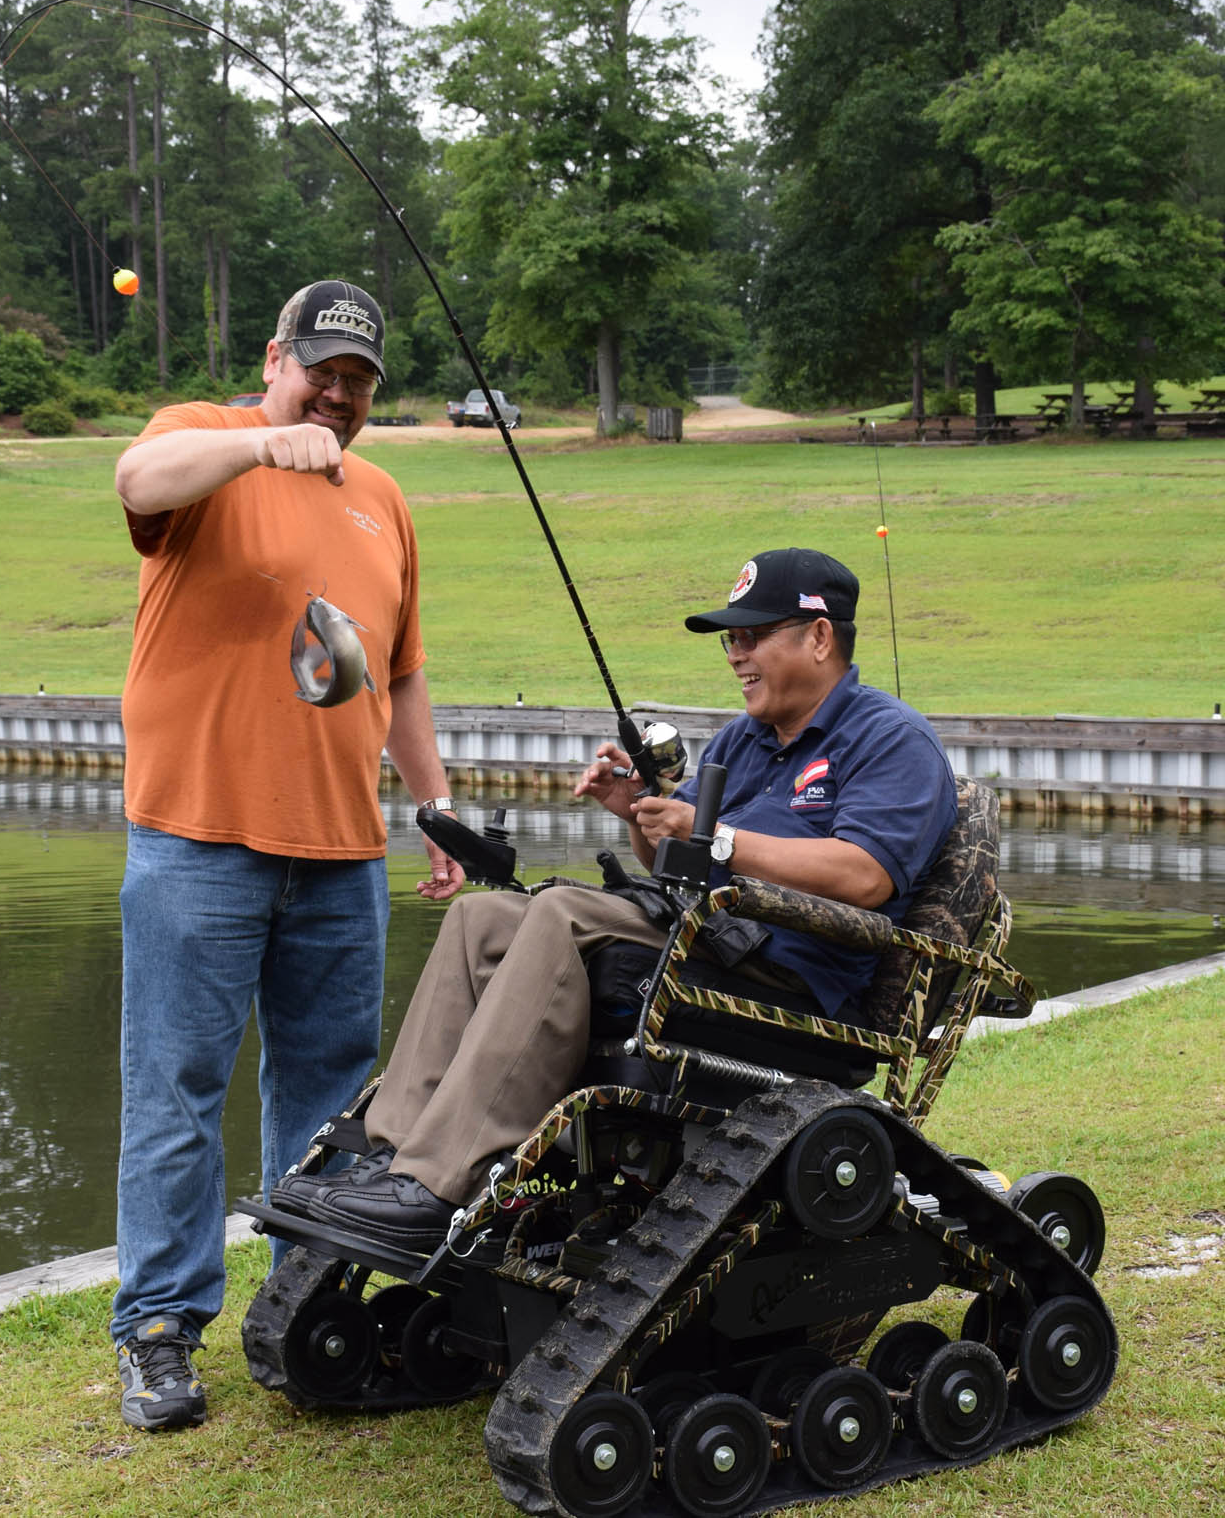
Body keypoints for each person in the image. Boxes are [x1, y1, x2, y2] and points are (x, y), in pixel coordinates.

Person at [284, 547, 958, 1251]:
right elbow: (681, 859)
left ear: (819, 638)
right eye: (731, 638)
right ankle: (391, 1157)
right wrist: (637, 809)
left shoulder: (890, 737)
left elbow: (865, 875)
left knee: (561, 911)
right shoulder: (745, 738)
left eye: (752, 635)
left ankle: (441, 1182)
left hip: (786, 978)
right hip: (702, 942)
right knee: (476, 915)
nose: (736, 654)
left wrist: (717, 837)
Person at [108, 279, 464, 1431]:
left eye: (360, 380)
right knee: (176, 1092)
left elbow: (398, 669)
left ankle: (308, 1308)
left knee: (328, 1102)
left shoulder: (384, 499)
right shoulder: (204, 440)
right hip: (196, 841)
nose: (341, 395)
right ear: (276, 358)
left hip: (342, 853)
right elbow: (134, 484)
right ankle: (159, 1331)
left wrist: (436, 803)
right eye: (323, 371)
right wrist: (268, 441)